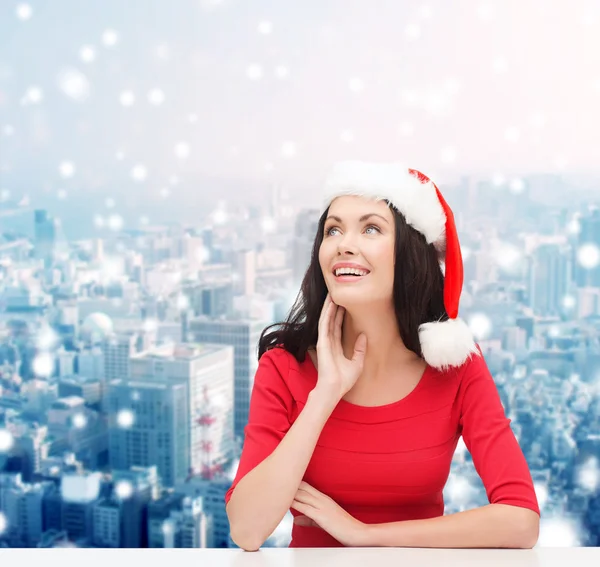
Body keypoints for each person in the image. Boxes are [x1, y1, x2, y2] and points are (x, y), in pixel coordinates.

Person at [225, 161, 540, 550]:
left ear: (410, 254)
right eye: (333, 229)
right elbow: (246, 530)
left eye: (371, 228)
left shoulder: (456, 366)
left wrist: (366, 536)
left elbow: (521, 520)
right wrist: (325, 393)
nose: (344, 243)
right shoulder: (284, 366)